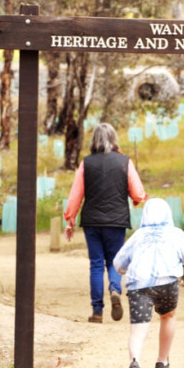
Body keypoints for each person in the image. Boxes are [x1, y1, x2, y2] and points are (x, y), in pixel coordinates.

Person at [111, 199, 184, 368]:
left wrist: (126, 270)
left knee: (138, 328)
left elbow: (118, 263)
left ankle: (134, 363)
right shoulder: (176, 234)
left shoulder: (138, 236)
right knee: (167, 316)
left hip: (138, 285)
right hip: (167, 282)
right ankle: (162, 363)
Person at [64, 123, 147, 324]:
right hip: (117, 221)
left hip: (92, 221)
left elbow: (76, 195)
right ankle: (115, 290)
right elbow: (137, 193)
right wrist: (137, 199)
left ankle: (97, 311)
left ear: (94, 140)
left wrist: (70, 220)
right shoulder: (124, 162)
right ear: (114, 138)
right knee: (115, 262)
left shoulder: (86, 163)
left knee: (95, 265)